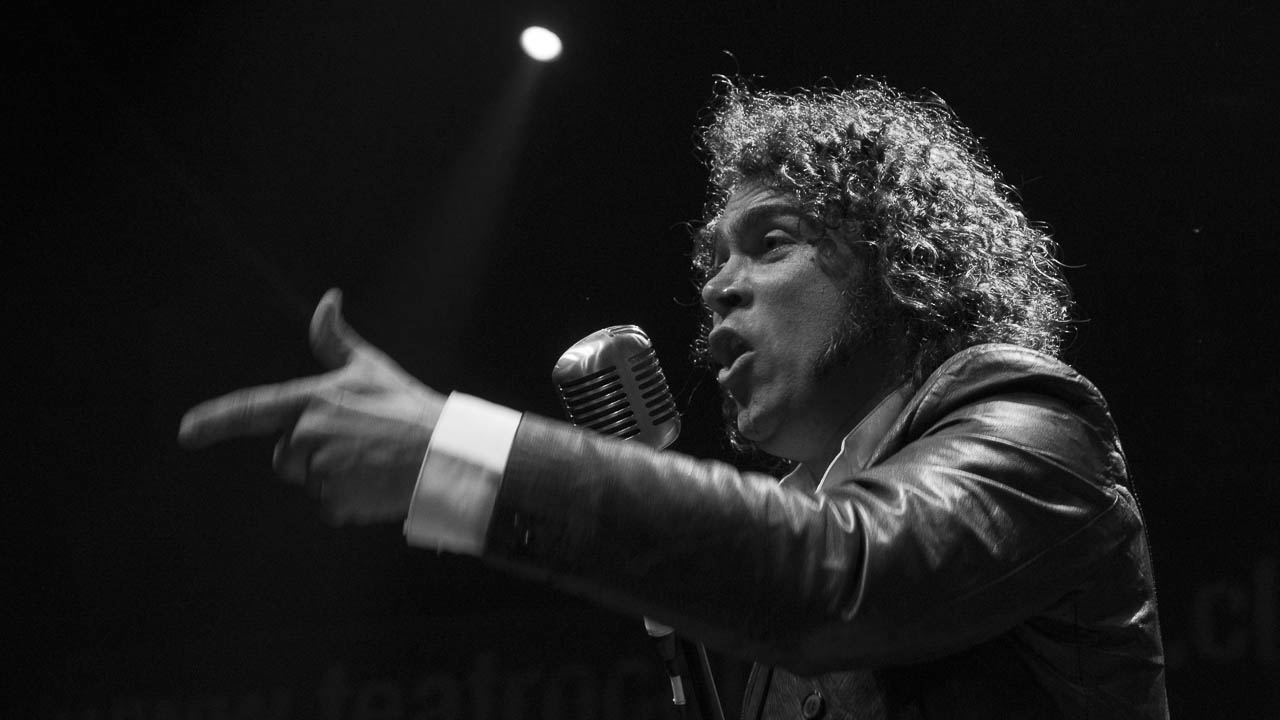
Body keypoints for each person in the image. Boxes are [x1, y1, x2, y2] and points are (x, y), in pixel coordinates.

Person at [180, 78, 1169, 718]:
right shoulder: (794, 541)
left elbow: (838, 577)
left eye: (769, 242)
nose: (717, 288)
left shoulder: (1035, 423)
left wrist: (460, 453)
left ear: (897, 259)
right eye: (710, 261)